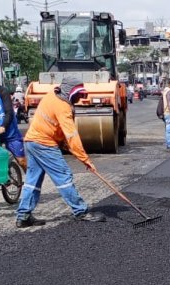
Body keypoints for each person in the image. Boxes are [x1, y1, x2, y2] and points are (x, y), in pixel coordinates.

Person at [14, 76, 105, 229]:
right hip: (44, 144)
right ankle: (80, 211)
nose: (79, 98)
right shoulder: (63, 107)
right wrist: (85, 160)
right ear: (69, 92)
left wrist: (61, 141)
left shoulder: (51, 95)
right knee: (64, 176)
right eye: (78, 94)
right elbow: (72, 136)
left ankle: (23, 216)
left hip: (31, 141)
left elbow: (56, 127)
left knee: (32, 181)